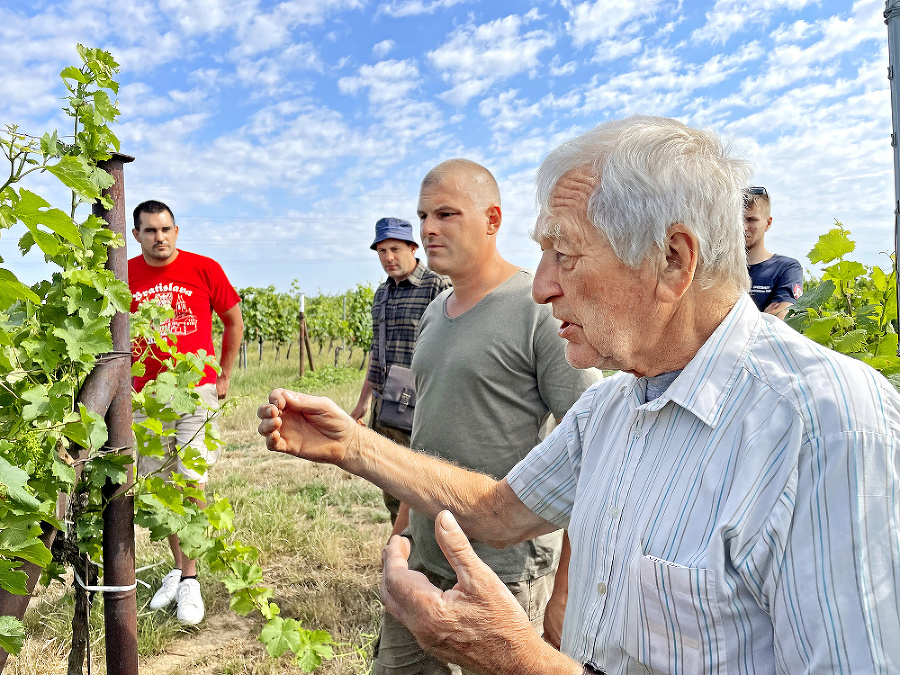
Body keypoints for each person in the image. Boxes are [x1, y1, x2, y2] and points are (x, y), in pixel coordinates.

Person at [258, 116, 900, 675]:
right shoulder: (612, 408)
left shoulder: (826, 427)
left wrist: (524, 661)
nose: (540, 288)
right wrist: (351, 445)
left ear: (673, 260)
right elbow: (499, 510)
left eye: (564, 253)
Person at [383, 158, 597, 674]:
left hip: (502, 575)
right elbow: (425, 433)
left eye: (447, 214)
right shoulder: (436, 313)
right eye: (423, 216)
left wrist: (563, 592)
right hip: (422, 558)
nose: (428, 229)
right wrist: (402, 530)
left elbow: (592, 452)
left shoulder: (539, 310)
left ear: (493, 220)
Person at [129, 199, 243, 625]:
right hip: (147, 399)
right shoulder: (125, 276)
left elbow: (234, 320)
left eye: (166, 229)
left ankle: (190, 579)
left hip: (195, 392)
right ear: (136, 235)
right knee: (160, 486)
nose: (160, 238)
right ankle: (177, 568)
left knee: (191, 478)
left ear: (176, 231)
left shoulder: (204, 268)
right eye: (151, 231)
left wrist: (224, 375)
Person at [350, 217, 450, 530]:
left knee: (424, 485)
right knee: (392, 483)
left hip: (419, 402)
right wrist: (364, 400)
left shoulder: (436, 285)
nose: (388, 257)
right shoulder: (381, 295)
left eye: (394, 248)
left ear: (412, 247)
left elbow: (452, 346)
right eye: (381, 251)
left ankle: (426, 556)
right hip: (385, 403)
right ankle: (402, 551)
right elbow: (375, 351)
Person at [744, 186, 803, 319]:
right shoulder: (720, 269)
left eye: (751, 220)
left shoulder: (786, 268)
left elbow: (781, 318)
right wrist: (763, 316)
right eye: (738, 220)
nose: (743, 227)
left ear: (768, 223)